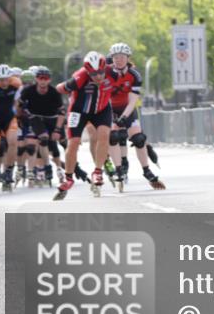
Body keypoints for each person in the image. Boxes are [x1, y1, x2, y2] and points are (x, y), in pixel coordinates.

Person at [53, 52, 115, 200]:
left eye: (100, 72)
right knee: (73, 143)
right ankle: (68, 178)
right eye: (94, 74)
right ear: (88, 71)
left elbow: (127, 75)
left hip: (101, 110)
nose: (98, 77)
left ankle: (98, 172)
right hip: (78, 112)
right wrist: (65, 87)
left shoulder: (112, 73)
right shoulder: (80, 77)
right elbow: (59, 89)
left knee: (104, 135)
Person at [106, 42, 165, 190]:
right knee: (113, 136)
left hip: (128, 108)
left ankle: (146, 171)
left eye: (122, 57)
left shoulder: (134, 75)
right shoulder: (105, 72)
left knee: (139, 139)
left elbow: (133, 100)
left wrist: (124, 117)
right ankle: (119, 169)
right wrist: (111, 115)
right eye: (115, 57)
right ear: (111, 58)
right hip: (109, 108)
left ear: (127, 58)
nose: (118, 60)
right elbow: (101, 95)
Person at [15, 66, 67, 187]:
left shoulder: (54, 92)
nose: (43, 81)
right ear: (36, 79)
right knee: (43, 139)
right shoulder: (29, 90)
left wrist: (58, 130)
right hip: (36, 117)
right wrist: (18, 117)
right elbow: (19, 105)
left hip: (52, 118)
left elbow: (62, 113)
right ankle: (47, 166)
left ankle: (62, 168)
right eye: (40, 78)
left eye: (46, 78)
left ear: (49, 80)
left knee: (56, 142)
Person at [0, 64, 22, 193]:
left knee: (13, 143)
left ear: (10, 77)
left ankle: (8, 171)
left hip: (9, 118)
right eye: (0, 79)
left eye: (6, 79)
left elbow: (18, 100)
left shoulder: (16, 83)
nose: (4, 82)